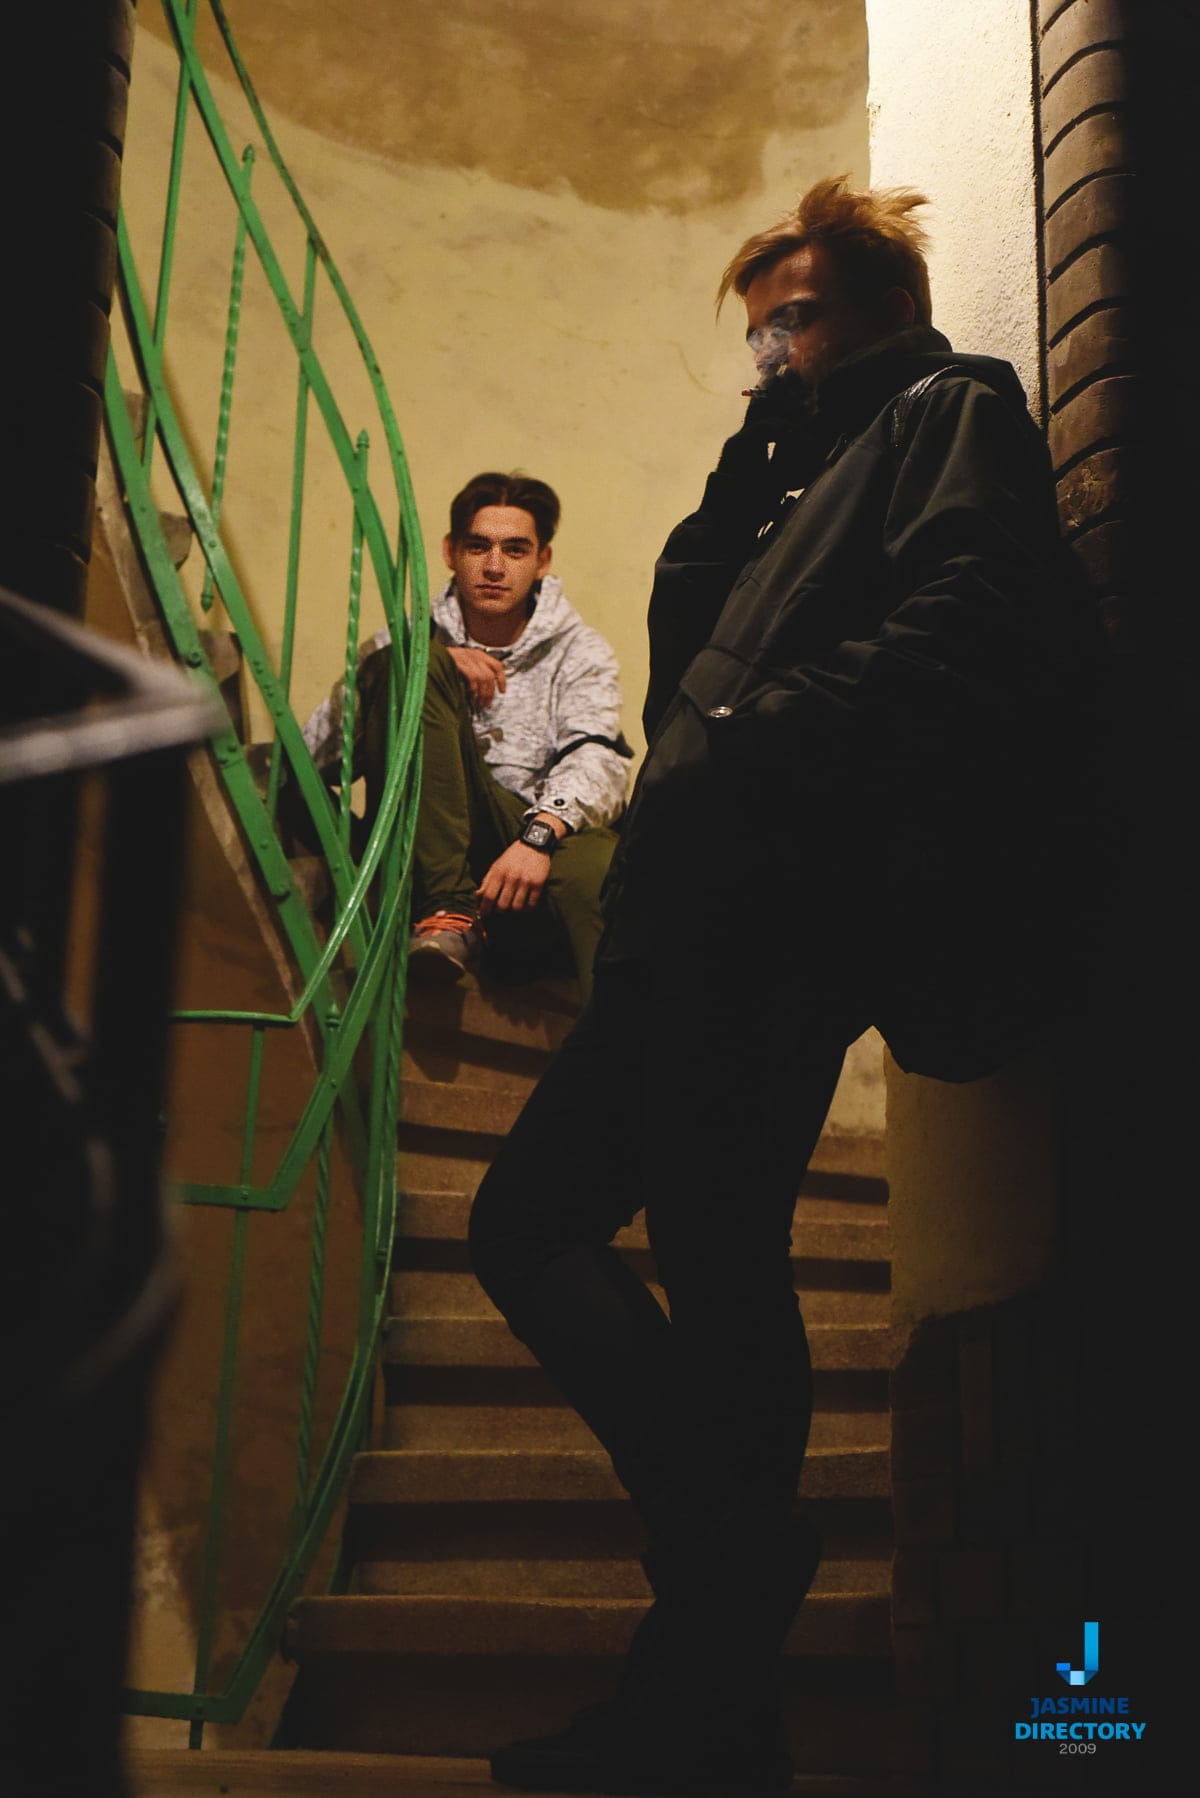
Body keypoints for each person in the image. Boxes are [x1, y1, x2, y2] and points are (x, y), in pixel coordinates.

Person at [466, 178, 1099, 1796]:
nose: (771, 348)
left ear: (885, 308)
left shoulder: (947, 410)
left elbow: (975, 616)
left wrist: (746, 746)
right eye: (759, 326)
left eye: (799, 315)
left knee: (654, 1242)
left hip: (782, 901)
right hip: (697, 902)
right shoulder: (785, 465)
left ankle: (720, 1617)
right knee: (607, 1239)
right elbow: (706, 649)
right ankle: (722, 1689)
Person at [302, 471, 631, 1003]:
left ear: (542, 561)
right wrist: (415, 665)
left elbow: (598, 757)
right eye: (479, 547)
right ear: (451, 552)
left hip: (520, 841)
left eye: (515, 549)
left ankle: (610, 1050)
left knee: (606, 863)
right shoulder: (406, 644)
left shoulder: (580, 651)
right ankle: (445, 913)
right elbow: (314, 755)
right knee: (405, 667)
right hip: (420, 849)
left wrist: (539, 836)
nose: (495, 567)